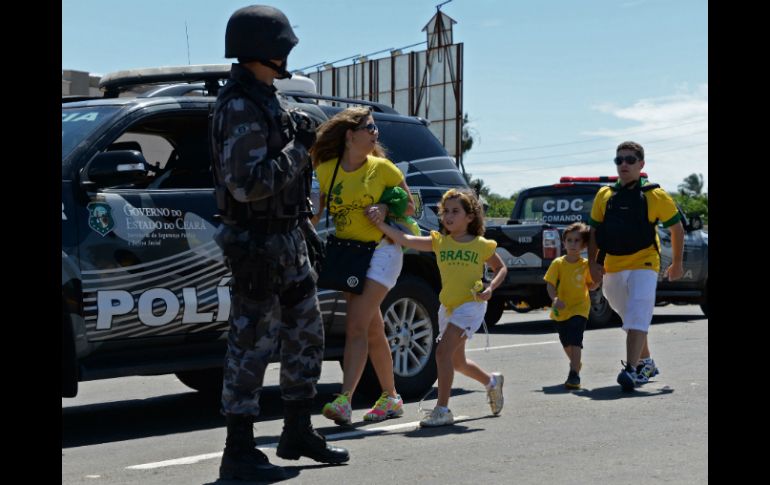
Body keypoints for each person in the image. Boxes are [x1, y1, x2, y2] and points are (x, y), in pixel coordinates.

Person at [210, 5, 348, 481]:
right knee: (251, 345)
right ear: (263, 49)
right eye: (282, 46)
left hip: (287, 238)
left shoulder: (267, 98)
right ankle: (239, 449)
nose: (288, 53)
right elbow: (249, 184)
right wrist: (299, 148)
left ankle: (297, 430)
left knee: (306, 335)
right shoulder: (239, 105)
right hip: (255, 245)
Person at [310, 106, 415, 425]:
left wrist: (384, 206)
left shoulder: (383, 169)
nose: (375, 133)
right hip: (350, 255)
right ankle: (391, 397)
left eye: (375, 129)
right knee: (372, 327)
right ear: (349, 135)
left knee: (355, 324)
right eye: (369, 128)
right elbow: (314, 211)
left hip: (383, 250)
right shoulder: (327, 170)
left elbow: (410, 206)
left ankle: (344, 400)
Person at [369, 188, 507, 427]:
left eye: (456, 211)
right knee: (457, 362)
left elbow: (501, 268)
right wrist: (382, 225)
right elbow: (406, 240)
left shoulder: (481, 245)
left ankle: (443, 410)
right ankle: (491, 382)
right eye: (446, 212)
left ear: (470, 217)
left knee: (442, 353)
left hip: (470, 306)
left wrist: (491, 287)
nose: (449, 216)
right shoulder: (439, 242)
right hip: (448, 307)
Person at [587, 141, 684, 392]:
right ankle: (646, 362)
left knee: (638, 312)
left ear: (641, 164)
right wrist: (593, 265)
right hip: (613, 265)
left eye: (630, 160)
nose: (624, 165)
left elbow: (676, 228)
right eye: (619, 160)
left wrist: (677, 263)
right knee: (628, 316)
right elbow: (594, 231)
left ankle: (631, 370)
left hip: (645, 261)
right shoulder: (605, 195)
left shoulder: (655, 195)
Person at [544, 222, 599, 389]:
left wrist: (598, 281)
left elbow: (590, 285)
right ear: (564, 243)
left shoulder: (586, 265)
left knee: (576, 339)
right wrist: (554, 299)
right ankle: (576, 363)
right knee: (566, 342)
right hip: (560, 309)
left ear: (583, 245)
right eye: (569, 240)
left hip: (580, 308)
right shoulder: (558, 263)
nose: (573, 244)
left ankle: (574, 374)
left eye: (577, 241)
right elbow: (550, 284)